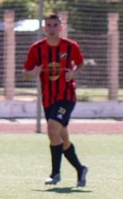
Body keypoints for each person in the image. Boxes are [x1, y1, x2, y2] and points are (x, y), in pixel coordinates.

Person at [23, 13, 88, 187]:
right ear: (44, 28)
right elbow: (26, 72)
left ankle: (55, 174)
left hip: (66, 97)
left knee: (52, 129)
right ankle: (80, 169)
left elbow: (81, 63)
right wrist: (33, 73)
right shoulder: (36, 49)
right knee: (62, 137)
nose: (52, 29)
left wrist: (74, 73)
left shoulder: (70, 46)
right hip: (48, 100)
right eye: (48, 25)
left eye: (55, 25)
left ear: (60, 27)